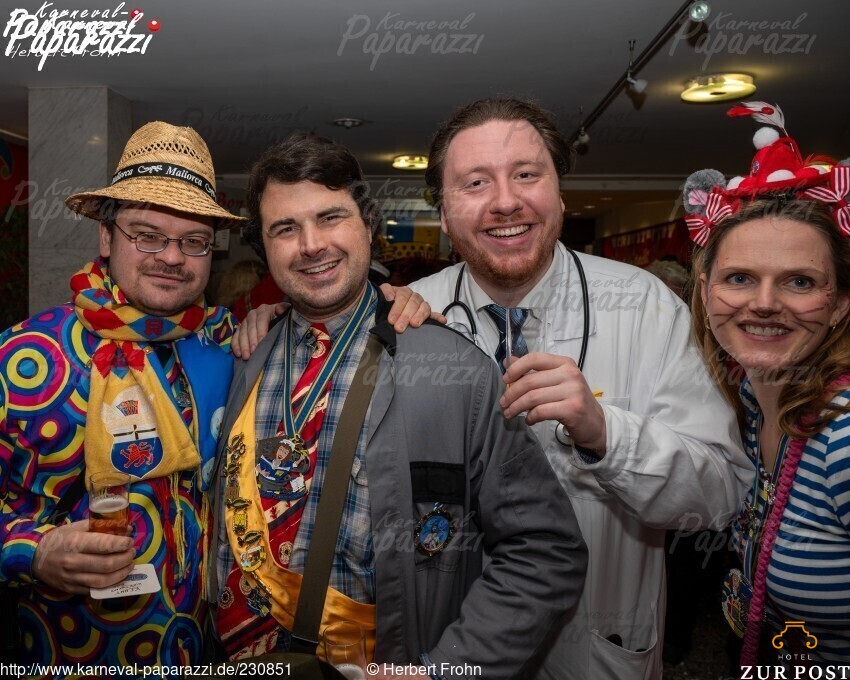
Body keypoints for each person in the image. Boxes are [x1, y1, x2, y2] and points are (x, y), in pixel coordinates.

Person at [232, 98, 752, 679]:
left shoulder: (644, 306)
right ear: (444, 212)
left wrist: (607, 434)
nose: (505, 201)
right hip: (444, 645)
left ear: (560, 194)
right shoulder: (407, 314)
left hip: (595, 649)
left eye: (526, 174)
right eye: (476, 183)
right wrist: (272, 318)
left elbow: (722, 494)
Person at [208, 131, 587, 679]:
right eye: (285, 229)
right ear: (263, 247)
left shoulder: (456, 369)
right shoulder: (245, 358)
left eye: (330, 218)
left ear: (368, 224)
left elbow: (546, 550)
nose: (311, 245)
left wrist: (445, 669)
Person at [0, 121, 245, 670]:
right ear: (106, 238)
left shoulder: (226, 340)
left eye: (193, 241)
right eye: (147, 234)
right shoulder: (22, 358)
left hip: (202, 648)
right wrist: (33, 552)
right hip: (70, 651)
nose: (172, 257)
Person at [687, 102, 850, 665]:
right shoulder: (750, 407)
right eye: (739, 278)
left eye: (799, 282)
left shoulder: (843, 437)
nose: (763, 303)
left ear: (839, 304)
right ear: (705, 293)